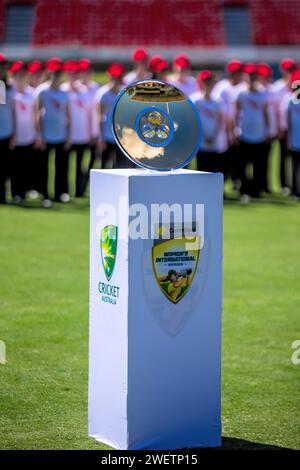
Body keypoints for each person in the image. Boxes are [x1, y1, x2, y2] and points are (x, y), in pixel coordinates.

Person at [37, 58, 70, 206]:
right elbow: (37, 113)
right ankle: (45, 195)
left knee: (61, 167)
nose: (56, 76)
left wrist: (69, 135)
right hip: (46, 135)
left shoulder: (65, 93)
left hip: (61, 134)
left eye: (59, 73)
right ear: (49, 73)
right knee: (44, 167)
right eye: (54, 73)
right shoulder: (42, 91)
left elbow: (68, 115)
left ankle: (59, 194)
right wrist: (39, 135)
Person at [236, 64, 269, 201]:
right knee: (244, 165)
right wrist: (235, 130)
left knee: (259, 165)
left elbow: (265, 113)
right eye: (249, 75)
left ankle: (257, 190)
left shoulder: (262, 93)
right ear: (245, 77)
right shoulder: (241, 93)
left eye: (254, 75)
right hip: (244, 133)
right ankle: (244, 190)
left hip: (259, 133)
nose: (251, 78)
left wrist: (267, 130)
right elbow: (236, 112)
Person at [94, 63, 135, 169]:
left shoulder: (126, 93)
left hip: (122, 137)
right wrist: (101, 136)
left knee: (121, 167)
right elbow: (99, 116)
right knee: (104, 167)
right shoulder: (103, 93)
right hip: (107, 136)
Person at [9, 61, 38, 204]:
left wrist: (37, 134)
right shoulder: (10, 93)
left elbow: (36, 114)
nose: (20, 78)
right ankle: (16, 193)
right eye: (17, 76)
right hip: (14, 136)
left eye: (23, 75)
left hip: (29, 135)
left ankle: (26, 190)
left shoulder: (31, 93)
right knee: (15, 167)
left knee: (28, 166)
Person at [63, 60, 92, 197]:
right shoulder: (63, 90)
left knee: (81, 165)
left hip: (83, 135)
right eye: (70, 74)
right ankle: (66, 191)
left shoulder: (84, 91)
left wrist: (91, 133)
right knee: (66, 165)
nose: (73, 77)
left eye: (75, 74)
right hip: (68, 136)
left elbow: (89, 113)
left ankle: (79, 191)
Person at [192, 70, 228, 174]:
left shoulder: (218, 101)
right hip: (201, 142)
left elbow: (221, 121)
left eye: (211, 82)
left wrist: (214, 136)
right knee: (202, 171)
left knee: (216, 172)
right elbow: (194, 121)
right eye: (206, 82)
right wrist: (204, 136)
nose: (208, 85)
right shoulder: (195, 100)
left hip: (216, 141)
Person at [273, 58, 297, 193]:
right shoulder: (278, 87)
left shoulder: (296, 85)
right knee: (283, 157)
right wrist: (279, 128)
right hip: (283, 128)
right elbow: (276, 110)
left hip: (295, 129)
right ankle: (284, 184)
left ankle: (295, 185)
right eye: (288, 70)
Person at [78, 58, 100, 192]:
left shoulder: (96, 88)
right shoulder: (74, 89)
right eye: (84, 72)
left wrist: (95, 132)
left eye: (89, 71)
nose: (86, 74)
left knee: (93, 162)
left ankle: (87, 187)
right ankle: (78, 189)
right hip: (78, 133)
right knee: (79, 163)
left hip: (94, 133)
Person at [256, 63, 278, 193]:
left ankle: (265, 184)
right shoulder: (256, 91)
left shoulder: (273, 90)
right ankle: (256, 184)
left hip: (270, 131)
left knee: (266, 160)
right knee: (256, 160)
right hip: (257, 131)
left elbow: (276, 112)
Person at [280, 67, 300, 200]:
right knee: (293, 166)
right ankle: (294, 190)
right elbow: (287, 122)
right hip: (294, 139)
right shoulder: (289, 101)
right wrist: (288, 138)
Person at [0, 53, 15, 204]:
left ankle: (3, 195)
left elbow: (13, 111)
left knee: (5, 167)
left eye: (3, 66)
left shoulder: (10, 87)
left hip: (6, 133)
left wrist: (14, 132)